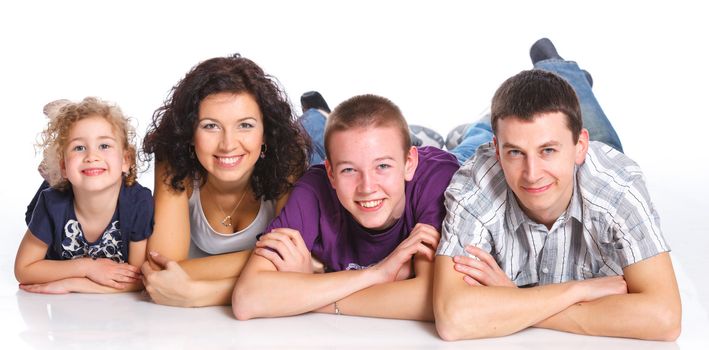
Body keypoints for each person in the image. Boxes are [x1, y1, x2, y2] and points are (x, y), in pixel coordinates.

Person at [433, 39, 680, 341]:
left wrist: (513, 301)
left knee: (604, 135)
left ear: (581, 147)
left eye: (547, 150)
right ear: (497, 152)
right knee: (476, 143)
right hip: (500, 150)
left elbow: (664, 319)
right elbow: (454, 318)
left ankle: (562, 70)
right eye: (514, 153)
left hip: (590, 166)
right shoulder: (476, 184)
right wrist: (577, 291)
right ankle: (483, 125)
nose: (533, 174)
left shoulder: (616, 188)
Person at [232, 94, 462, 321]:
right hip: (343, 155)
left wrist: (309, 286)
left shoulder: (438, 182)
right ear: (331, 173)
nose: (367, 187)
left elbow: (434, 300)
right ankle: (317, 114)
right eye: (349, 170)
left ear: (409, 164)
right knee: (308, 141)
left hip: (460, 157)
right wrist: (376, 273)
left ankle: (476, 126)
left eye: (382, 166)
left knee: (473, 138)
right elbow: (248, 299)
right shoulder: (313, 190)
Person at [140, 54, 312, 307]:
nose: (228, 145)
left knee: (318, 135)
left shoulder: (288, 159)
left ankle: (315, 114)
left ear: (266, 132)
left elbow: (293, 258)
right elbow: (161, 271)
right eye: (210, 126)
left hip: (308, 149)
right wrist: (267, 262)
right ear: (189, 133)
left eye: (245, 125)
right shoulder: (174, 162)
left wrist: (199, 294)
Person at [15, 97, 153, 294]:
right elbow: (24, 270)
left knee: (76, 173)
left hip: (82, 181)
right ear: (64, 166)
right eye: (79, 147)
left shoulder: (139, 202)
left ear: (126, 159)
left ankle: (66, 130)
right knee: (40, 205)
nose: (92, 156)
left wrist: (72, 284)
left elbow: (139, 280)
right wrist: (87, 267)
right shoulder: (51, 202)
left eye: (104, 146)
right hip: (62, 190)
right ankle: (53, 165)